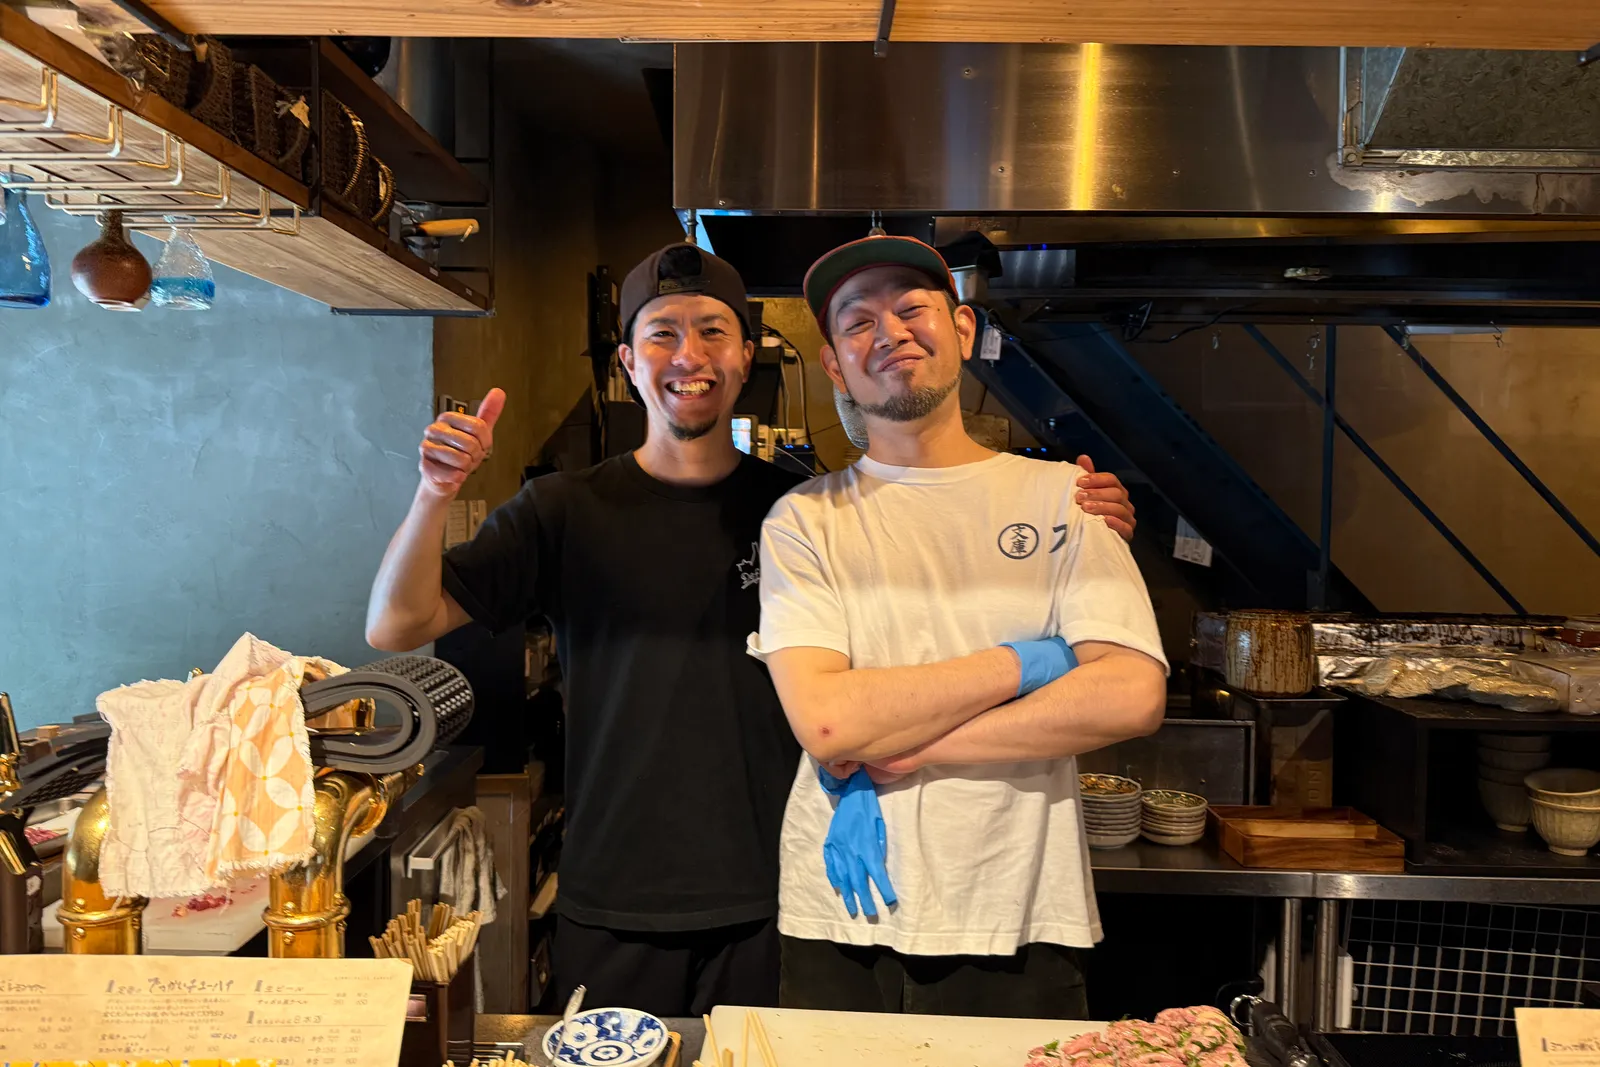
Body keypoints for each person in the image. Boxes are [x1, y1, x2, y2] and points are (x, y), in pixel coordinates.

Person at [365, 240, 1139, 1016]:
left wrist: (1076, 519)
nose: (688, 355)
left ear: (745, 358)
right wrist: (434, 493)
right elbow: (399, 624)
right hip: (614, 891)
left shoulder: (801, 507)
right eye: (662, 333)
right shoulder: (563, 509)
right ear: (628, 362)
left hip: (772, 893)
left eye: (712, 331)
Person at [750, 235, 1170, 1019]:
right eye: (858, 322)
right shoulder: (804, 521)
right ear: (835, 363)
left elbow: (1129, 694)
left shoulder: (1064, 498)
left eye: (913, 309)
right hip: (843, 913)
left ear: (965, 331)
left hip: (1017, 913)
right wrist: (1031, 660)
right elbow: (830, 720)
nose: (891, 332)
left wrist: (916, 745)